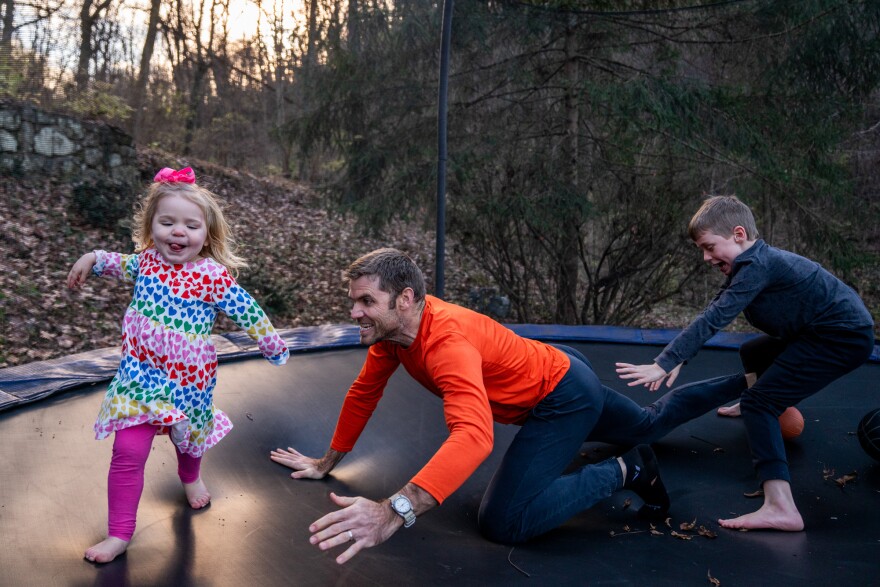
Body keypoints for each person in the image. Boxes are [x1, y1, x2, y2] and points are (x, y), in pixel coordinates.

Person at [270, 248, 746, 564]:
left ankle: (628, 469)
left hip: (561, 397)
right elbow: (363, 394)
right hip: (560, 368)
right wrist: (326, 460)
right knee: (646, 421)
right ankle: (748, 381)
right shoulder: (391, 337)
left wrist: (395, 510)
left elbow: (475, 437)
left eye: (366, 302)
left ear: (407, 298)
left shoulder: (445, 344)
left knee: (505, 522)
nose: (354, 312)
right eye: (353, 301)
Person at [67, 166, 290, 563]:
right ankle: (119, 533)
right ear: (152, 227)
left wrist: (270, 344)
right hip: (138, 379)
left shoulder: (212, 276)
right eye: (167, 222)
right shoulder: (147, 262)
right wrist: (91, 258)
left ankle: (190, 477)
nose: (178, 232)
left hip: (190, 384)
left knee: (188, 443)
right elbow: (117, 262)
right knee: (127, 453)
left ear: (206, 234)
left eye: (190, 225)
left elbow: (248, 310)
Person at [615, 195, 874, 532]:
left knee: (759, 403)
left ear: (738, 234)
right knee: (753, 353)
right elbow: (717, 303)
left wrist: (666, 361)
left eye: (709, 247)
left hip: (842, 336)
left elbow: (716, 316)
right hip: (817, 330)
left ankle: (781, 505)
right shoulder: (752, 263)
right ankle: (762, 396)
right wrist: (683, 357)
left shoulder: (759, 265)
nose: (706, 257)